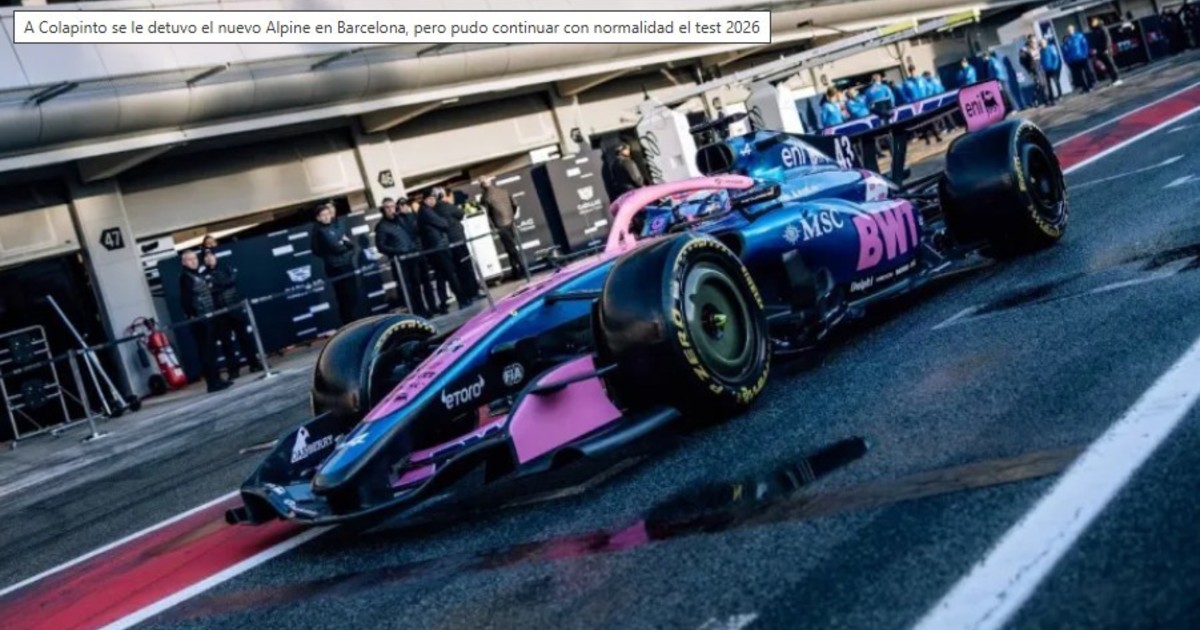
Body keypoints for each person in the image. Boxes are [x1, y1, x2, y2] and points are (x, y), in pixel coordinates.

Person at [177, 250, 230, 393]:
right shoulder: (185, 277)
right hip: (200, 319)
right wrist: (193, 315)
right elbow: (186, 299)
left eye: (194, 258)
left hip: (209, 317)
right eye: (189, 259)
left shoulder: (196, 274)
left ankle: (217, 380)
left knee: (211, 351)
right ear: (184, 262)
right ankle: (212, 383)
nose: (193, 261)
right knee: (206, 352)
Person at [203, 250, 261, 379]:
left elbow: (232, 281)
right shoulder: (203, 275)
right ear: (204, 260)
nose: (209, 258)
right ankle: (233, 370)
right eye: (206, 257)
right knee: (226, 344)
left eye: (210, 255)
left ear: (215, 256)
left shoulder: (226, 267)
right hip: (219, 313)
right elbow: (208, 290)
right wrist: (220, 284)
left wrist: (216, 283)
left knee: (245, 339)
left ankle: (254, 364)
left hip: (235, 309)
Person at [374, 197, 432, 318]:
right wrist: (397, 251)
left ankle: (424, 310)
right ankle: (415, 313)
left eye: (392, 206)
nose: (391, 209)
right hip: (400, 261)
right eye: (387, 207)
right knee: (408, 288)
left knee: (417, 285)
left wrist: (408, 215)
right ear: (383, 210)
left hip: (413, 256)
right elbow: (381, 246)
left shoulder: (401, 219)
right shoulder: (382, 226)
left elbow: (414, 232)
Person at [309, 201, 363, 327]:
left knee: (352, 295)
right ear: (318, 218)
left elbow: (348, 244)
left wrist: (347, 244)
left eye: (328, 213)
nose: (327, 216)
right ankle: (349, 324)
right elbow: (337, 247)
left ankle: (352, 323)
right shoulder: (321, 231)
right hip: (337, 267)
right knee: (345, 298)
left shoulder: (335, 225)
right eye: (323, 215)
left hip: (346, 264)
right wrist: (348, 245)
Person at [418, 190, 467, 312]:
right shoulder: (426, 212)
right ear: (426, 199)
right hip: (438, 247)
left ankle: (443, 303)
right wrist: (443, 222)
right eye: (431, 199)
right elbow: (444, 224)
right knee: (450, 273)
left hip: (435, 247)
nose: (433, 201)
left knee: (441, 276)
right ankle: (462, 299)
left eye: (434, 198)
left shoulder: (425, 211)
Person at [436, 187, 481, 305]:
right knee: (466, 268)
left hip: (449, 243)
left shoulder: (435, 209)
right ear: (444, 196)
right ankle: (473, 292)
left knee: (459, 270)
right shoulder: (446, 206)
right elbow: (460, 214)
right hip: (458, 241)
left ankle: (466, 293)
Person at [480, 177, 527, 281]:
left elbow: (486, 215)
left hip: (500, 224)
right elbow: (515, 205)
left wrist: (492, 227)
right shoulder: (504, 191)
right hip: (510, 221)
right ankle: (516, 271)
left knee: (511, 248)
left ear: (482, 186)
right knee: (511, 247)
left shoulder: (485, 197)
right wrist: (513, 216)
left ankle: (522, 268)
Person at [1062, 24, 1096, 94]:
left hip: (1082, 57)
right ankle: (1084, 87)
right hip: (1074, 60)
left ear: (1073, 29)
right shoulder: (1068, 40)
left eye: (1070, 30)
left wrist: (1085, 54)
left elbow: (1085, 45)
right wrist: (1069, 60)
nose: (1069, 31)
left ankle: (1091, 85)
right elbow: (1067, 50)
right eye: (1068, 30)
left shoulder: (1079, 36)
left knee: (1087, 72)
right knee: (1079, 75)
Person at [1090, 17, 1123, 86]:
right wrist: (1095, 49)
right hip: (1100, 51)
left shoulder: (1103, 28)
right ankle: (1113, 79)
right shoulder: (1095, 31)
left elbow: (1107, 39)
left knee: (1111, 64)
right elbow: (1096, 42)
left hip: (1106, 50)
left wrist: (1107, 49)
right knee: (1107, 66)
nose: (1092, 23)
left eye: (1093, 21)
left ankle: (1117, 78)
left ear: (1097, 21)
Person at [1020, 35, 1048, 107]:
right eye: (1032, 42)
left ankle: (1047, 100)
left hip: (1040, 66)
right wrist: (1030, 68)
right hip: (1034, 68)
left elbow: (1043, 48)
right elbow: (1022, 61)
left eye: (1035, 41)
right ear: (1029, 42)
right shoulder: (1025, 50)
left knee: (1044, 84)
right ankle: (1036, 99)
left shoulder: (1038, 46)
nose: (1034, 43)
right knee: (1040, 84)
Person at [1040, 37, 1063, 105]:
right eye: (1041, 43)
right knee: (1048, 84)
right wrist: (1042, 67)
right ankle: (1051, 97)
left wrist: (1054, 66)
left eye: (1043, 43)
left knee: (1056, 81)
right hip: (1046, 69)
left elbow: (1056, 57)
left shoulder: (1051, 48)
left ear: (1046, 42)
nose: (1042, 44)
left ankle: (1060, 94)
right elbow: (1042, 60)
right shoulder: (1041, 51)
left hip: (1053, 68)